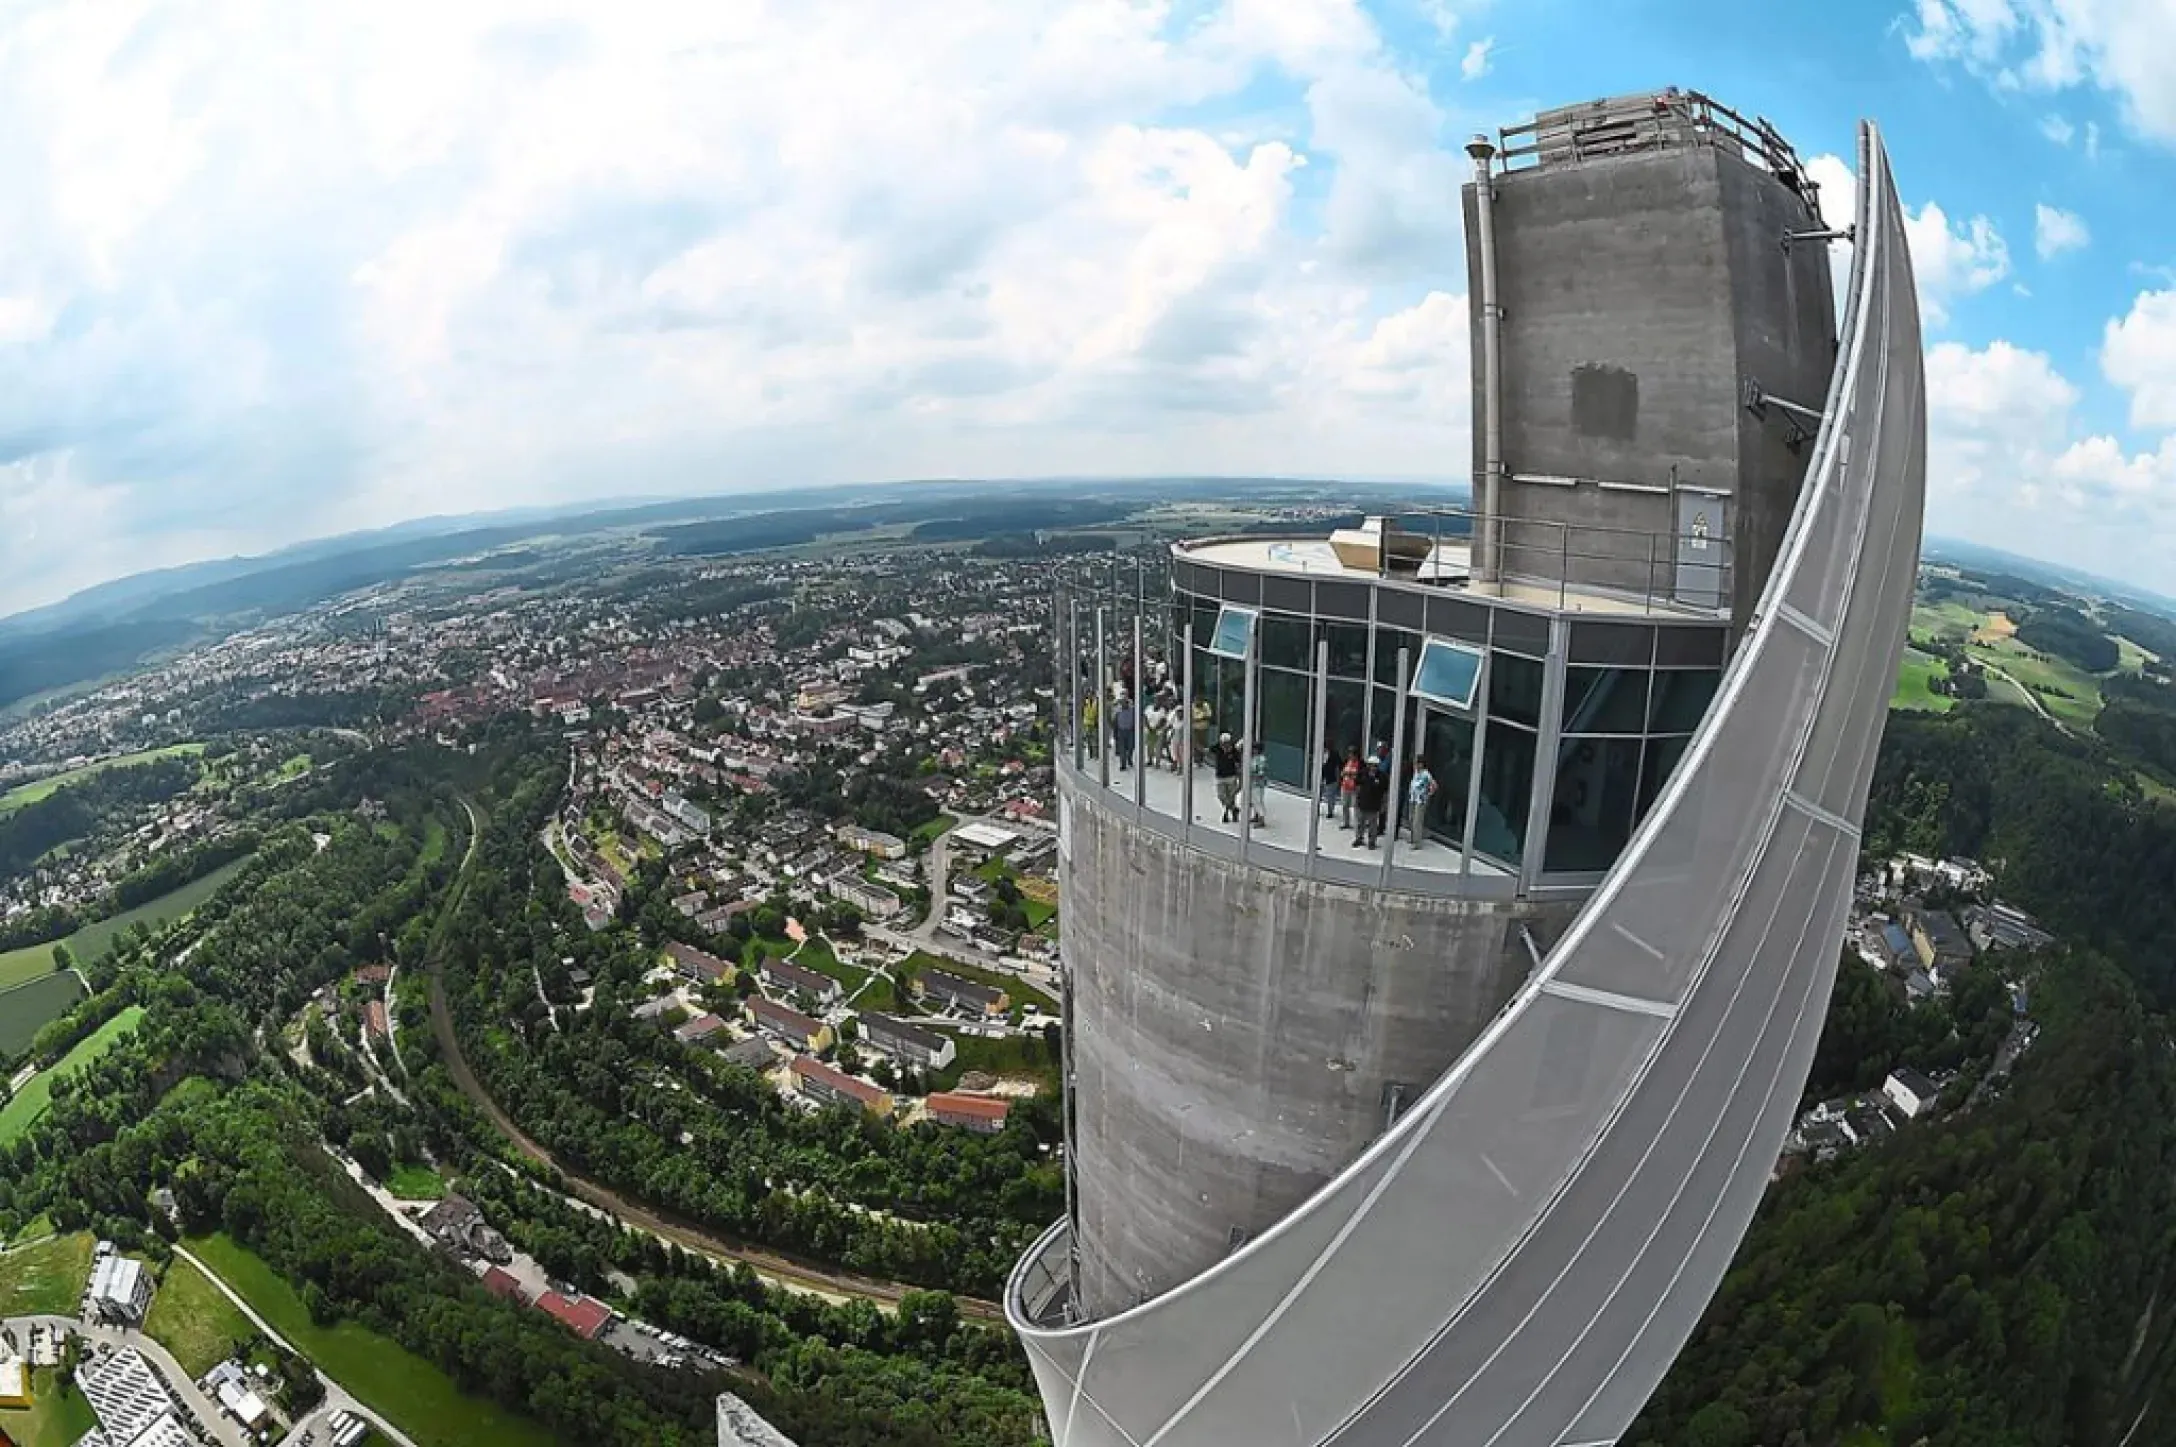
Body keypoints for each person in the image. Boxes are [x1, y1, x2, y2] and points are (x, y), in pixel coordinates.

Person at [1353, 751, 1388, 848]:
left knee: (1373, 825)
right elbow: (1357, 785)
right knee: (1360, 823)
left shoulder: (1382, 776)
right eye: (1371, 765)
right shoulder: (1362, 773)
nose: (1373, 768)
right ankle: (1359, 838)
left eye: (1375, 766)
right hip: (1362, 803)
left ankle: (1372, 841)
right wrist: (1356, 799)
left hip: (1374, 804)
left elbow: (1385, 792)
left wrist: (1384, 805)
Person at [1211, 731, 1243, 822]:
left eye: (1227, 743)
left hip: (1231, 776)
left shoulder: (1234, 751)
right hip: (1220, 777)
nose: (1224, 745)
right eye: (1223, 743)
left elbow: (1239, 764)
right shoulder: (1217, 748)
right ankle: (1233, 809)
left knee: (1231, 797)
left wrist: (1240, 778)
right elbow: (1207, 750)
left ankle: (1226, 813)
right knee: (1221, 796)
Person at [1406, 755, 1437, 847]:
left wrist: (1428, 794)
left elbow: (1434, 785)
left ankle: (1417, 842)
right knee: (1411, 819)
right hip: (1413, 799)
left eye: (1418, 763)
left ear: (1422, 764)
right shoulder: (1416, 773)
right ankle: (1412, 838)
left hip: (1421, 800)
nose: (1416, 765)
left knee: (1417, 821)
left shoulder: (1426, 774)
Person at [1339, 745, 1362, 829]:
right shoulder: (1347, 761)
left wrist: (1351, 774)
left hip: (1354, 788)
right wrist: (1343, 774)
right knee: (1345, 805)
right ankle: (1346, 822)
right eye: (1349, 753)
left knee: (1356, 806)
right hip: (1345, 786)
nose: (1350, 755)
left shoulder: (1360, 763)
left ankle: (1357, 824)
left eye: (1352, 754)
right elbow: (1342, 772)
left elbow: (1361, 775)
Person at [1113, 694, 1137, 771]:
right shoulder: (1118, 711)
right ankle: (1123, 764)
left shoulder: (1132, 710)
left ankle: (1129, 758)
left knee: (1131, 746)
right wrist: (1115, 732)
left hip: (1130, 731)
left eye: (1125, 702)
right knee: (1122, 749)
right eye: (1122, 702)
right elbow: (1115, 722)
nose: (1123, 704)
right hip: (1121, 731)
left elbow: (1136, 720)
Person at [1318, 744, 1342, 819]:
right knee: (1319, 793)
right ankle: (1317, 808)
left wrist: (1338, 779)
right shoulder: (1319, 753)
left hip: (1331, 778)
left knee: (1330, 796)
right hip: (1321, 776)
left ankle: (1330, 811)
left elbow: (1338, 767)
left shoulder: (1334, 754)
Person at [1249, 746, 1270, 828]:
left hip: (1257, 783)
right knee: (1254, 800)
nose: (1253, 750)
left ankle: (1261, 819)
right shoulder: (1254, 758)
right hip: (1253, 783)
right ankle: (1256, 816)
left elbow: (1261, 772)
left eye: (1255, 748)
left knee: (1257, 800)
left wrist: (1254, 776)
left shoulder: (1261, 759)